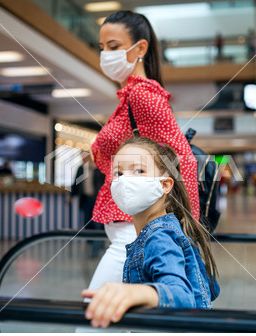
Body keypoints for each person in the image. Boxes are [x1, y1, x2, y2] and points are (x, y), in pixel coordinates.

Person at [89, 10, 200, 291]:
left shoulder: (142, 95)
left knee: (95, 317)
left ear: (140, 48)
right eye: (102, 48)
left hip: (134, 231)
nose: (105, 55)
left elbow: (182, 160)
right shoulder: (130, 95)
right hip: (130, 228)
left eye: (113, 47)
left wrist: (185, 227)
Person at [82, 138, 219, 328]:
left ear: (165, 185)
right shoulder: (168, 228)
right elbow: (210, 289)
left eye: (139, 171)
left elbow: (182, 296)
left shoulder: (159, 237)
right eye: (118, 173)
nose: (125, 180)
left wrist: (137, 293)